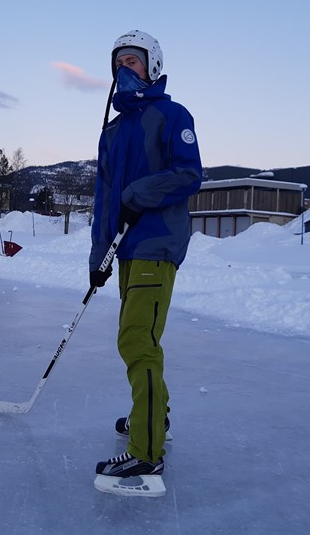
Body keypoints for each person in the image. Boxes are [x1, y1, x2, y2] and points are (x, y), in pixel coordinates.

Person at [90, 30, 203, 490]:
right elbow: (103, 199)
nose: (124, 69)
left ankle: (146, 452)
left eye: (133, 62)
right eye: (119, 63)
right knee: (142, 340)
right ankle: (156, 417)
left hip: (157, 243)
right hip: (126, 250)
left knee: (137, 340)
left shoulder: (172, 115)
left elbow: (188, 174)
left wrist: (139, 194)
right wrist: (98, 257)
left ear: (152, 66)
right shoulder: (113, 132)